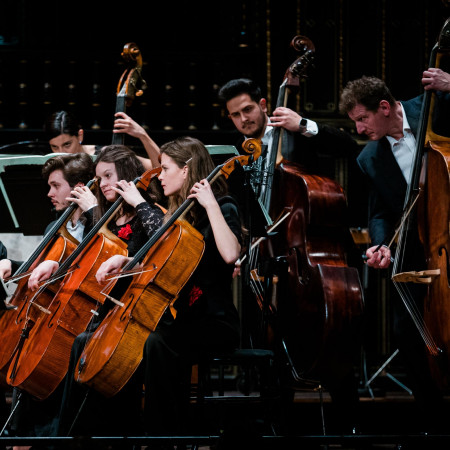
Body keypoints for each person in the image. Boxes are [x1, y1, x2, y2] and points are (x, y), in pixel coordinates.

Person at [219, 78, 362, 434]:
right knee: (272, 342)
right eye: (235, 115)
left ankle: (349, 429)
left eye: (248, 109)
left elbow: (349, 146)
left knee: (333, 337)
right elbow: (249, 209)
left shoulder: (298, 131)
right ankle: (277, 427)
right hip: (271, 257)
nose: (243, 119)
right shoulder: (244, 151)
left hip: (315, 254)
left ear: (264, 103)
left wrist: (305, 125)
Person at [94, 136, 243, 439]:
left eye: (166, 168)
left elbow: (230, 254)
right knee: (137, 341)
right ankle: (129, 433)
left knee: (158, 343)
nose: (159, 176)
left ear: (187, 170)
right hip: (180, 317)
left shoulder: (223, 206)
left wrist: (211, 203)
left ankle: (163, 437)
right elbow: (162, 261)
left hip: (214, 320)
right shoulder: (178, 212)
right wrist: (127, 260)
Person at [339, 72, 450, 432]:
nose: (358, 129)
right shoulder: (369, 158)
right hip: (424, 249)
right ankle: (433, 421)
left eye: (362, 118)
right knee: (406, 332)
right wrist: (381, 242)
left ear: (384, 107)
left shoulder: (433, 108)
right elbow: (381, 212)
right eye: (354, 121)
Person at [34, 144, 165, 439]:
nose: (102, 184)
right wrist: (56, 263)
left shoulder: (148, 213)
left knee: (85, 343)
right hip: (110, 312)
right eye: (99, 177)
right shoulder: (109, 217)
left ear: (127, 175)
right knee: (81, 342)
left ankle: (80, 434)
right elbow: (86, 259)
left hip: (137, 312)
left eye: (108, 176)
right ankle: (72, 434)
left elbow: (159, 243)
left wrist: (128, 205)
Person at [0, 152, 96, 439]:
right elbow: (38, 270)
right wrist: (13, 265)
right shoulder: (55, 228)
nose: (49, 193)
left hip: (79, 317)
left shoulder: (97, 227)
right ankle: (20, 433)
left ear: (79, 188)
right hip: (49, 314)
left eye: (56, 186)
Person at [44, 110, 161, 170]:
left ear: (80, 135)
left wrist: (143, 136)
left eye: (67, 144)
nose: (61, 152)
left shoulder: (105, 154)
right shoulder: (51, 163)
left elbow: (158, 168)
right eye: (54, 147)